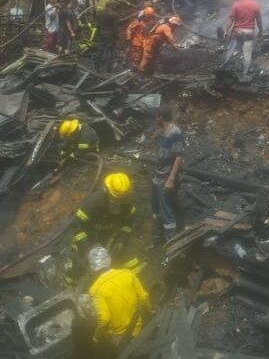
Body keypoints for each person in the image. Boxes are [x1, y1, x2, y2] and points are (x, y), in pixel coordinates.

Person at [65, 173, 143, 285]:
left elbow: (128, 223)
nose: (119, 202)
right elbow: (77, 226)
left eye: (122, 199)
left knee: (129, 261)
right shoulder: (94, 203)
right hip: (88, 237)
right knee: (77, 266)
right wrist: (87, 249)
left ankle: (131, 285)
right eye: (116, 198)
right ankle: (70, 288)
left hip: (110, 237)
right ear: (107, 191)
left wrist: (121, 240)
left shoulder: (127, 203)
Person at [84, 247, 151, 357]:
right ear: (109, 260)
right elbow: (143, 298)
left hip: (120, 339)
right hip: (140, 328)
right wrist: (149, 312)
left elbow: (104, 318)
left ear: (92, 268)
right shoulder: (127, 273)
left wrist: (96, 337)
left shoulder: (95, 290)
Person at [150, 106, 184, 240]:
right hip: (157, 175)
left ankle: (171, 240)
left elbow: (178, 157)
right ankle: (159, 234)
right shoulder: (164, 130)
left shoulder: (175, 132)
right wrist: (159, 130)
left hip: (166, 177)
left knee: (166, 209)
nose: (154, 119)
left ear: (160, 117)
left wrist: (171, 179)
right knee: (156, 206)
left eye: (156, 116)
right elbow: (153, 138)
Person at [224, 0, 262, 78]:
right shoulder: (255, 4)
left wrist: (226, 30)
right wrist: (261, 30)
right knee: (247, 53)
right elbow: (259, 21)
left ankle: (224, 65)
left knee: (231, 50)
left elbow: (231, 19)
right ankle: (244, 73)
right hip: (249, 32)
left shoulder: (236, 4)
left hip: (237, 31)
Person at [96, 0, 129, 72]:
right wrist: (128, 3)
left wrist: (97, 33)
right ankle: (108, 70)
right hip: (110, 35)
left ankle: (97, 67)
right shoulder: (114, 13)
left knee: (100, 50)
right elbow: (115, 27)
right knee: (110, 51)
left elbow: (98, 25)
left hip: (101, 26)